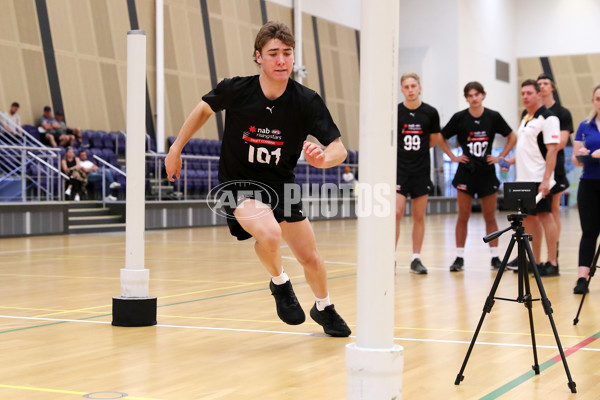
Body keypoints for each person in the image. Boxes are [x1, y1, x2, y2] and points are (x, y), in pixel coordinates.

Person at [164, 21, 351, 337]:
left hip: (282, 186)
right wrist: (176, 148)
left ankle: (324, 307)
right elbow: (202, 110)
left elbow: (339, 149)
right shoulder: (236, 89)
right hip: (235, 184)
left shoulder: (306, 100)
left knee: (310, 257)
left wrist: (323, 160)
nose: (281, 60)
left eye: (287, 54)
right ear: (258, 57)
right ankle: (280, 283)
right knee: (270, 233)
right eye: (274, 53)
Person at [395, 73, 467, 275]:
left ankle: (415, 258)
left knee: (419, 216)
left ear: (420, 88)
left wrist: (451, 156)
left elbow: (435, 139)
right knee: (396, 213)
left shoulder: (430, 112)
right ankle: (389, 257)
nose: (410, 89)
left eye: (413, 86)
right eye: (406, 86)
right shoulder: (396, 112)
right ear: (402, 89)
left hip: (421, 170)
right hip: (400, 170)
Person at [443, 82, 517, 272]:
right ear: (466, 98)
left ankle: (495, 258)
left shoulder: (493, 116)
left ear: (483, 95)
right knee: (463, 215)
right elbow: (439, 137)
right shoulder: (459, 118)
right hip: (466, 172)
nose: (474, 98)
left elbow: (512, 137)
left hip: (487, 172)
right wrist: (452, 157)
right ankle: (459, 257)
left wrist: (501, 157)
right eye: (470, 95)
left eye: (477, 94)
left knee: (490, 216)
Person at [504, 79, 560, 276]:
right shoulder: (525, 117)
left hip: (540, 177)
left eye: (529, 93)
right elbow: (527, 147)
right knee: (530, 220)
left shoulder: (549, 118)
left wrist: (546, 180)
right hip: (524, 178)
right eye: (523, 93)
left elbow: (552, 151)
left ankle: (552, 262)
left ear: (539, 94)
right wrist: (511, 160)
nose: (525, 97)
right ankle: (534, 261)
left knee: (546, 216)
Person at [571, 84, 600, 294]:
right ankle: (582, 278)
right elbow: (575, 159)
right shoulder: (584, 126)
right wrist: (582, 154)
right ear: (593, 101)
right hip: (588, 184)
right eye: (598, 98)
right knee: (588, 232)